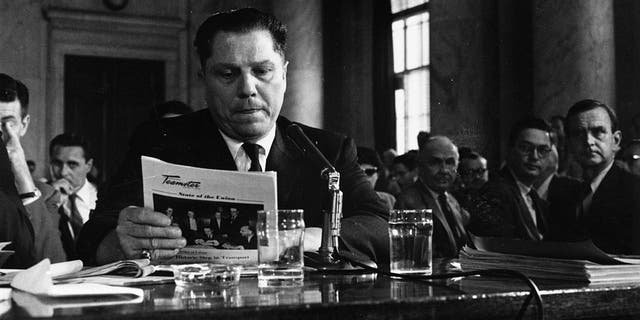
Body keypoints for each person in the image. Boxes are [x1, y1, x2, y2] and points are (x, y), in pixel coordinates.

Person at [77, 8, 388, 266]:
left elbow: (380, 226)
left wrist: (306, 237)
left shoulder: (328, 150)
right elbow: (93, 234)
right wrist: (120, 244)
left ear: (284, 74)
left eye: (262, 71)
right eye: (228, 74)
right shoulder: (159, 140)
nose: (247, 89)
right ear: (204, 80)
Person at [550, 99, 640, 254]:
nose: (588, 141)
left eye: (598, 131)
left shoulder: (635, 191)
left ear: (616, 140)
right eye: (578, 133)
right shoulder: (565, 196)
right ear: (570, 143)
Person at [0, 73, 66, 263]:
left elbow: (54, 265)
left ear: (24, 125)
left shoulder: (45, 195)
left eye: (7, 124)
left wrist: (23, 179)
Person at [469, 117, 553, 241]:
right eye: (525, 148)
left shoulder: (532, 195)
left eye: (542, 150)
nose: (534, 156)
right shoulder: (495, 193)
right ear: (510, 150)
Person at [396, 136, 469, 258]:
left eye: (450, 162)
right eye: (435, 162)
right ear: (420, 166)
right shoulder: (408, 202)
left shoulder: (452, 201)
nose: (444, 170)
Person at [49, 133, 97, 259]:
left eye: (72, 164)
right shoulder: (42, 199)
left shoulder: (104, 196)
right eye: (57, 163)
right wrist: (51, 200)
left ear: (88, 166)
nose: (63, 172)